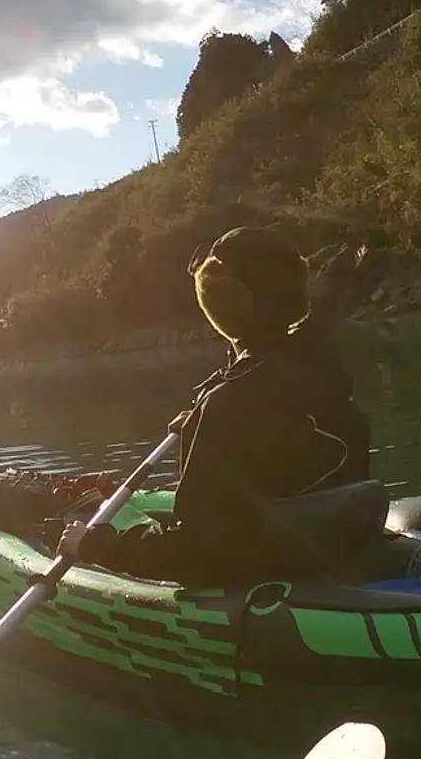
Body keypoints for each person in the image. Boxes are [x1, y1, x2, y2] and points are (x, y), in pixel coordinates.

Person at [63, 224, 375, 584]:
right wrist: (201, 421)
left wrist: (98, 546)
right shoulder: (320, 362)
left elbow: (196, 554)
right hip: (339, 545)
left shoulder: (228, 404)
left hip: (272, 568)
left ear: (217, 303)